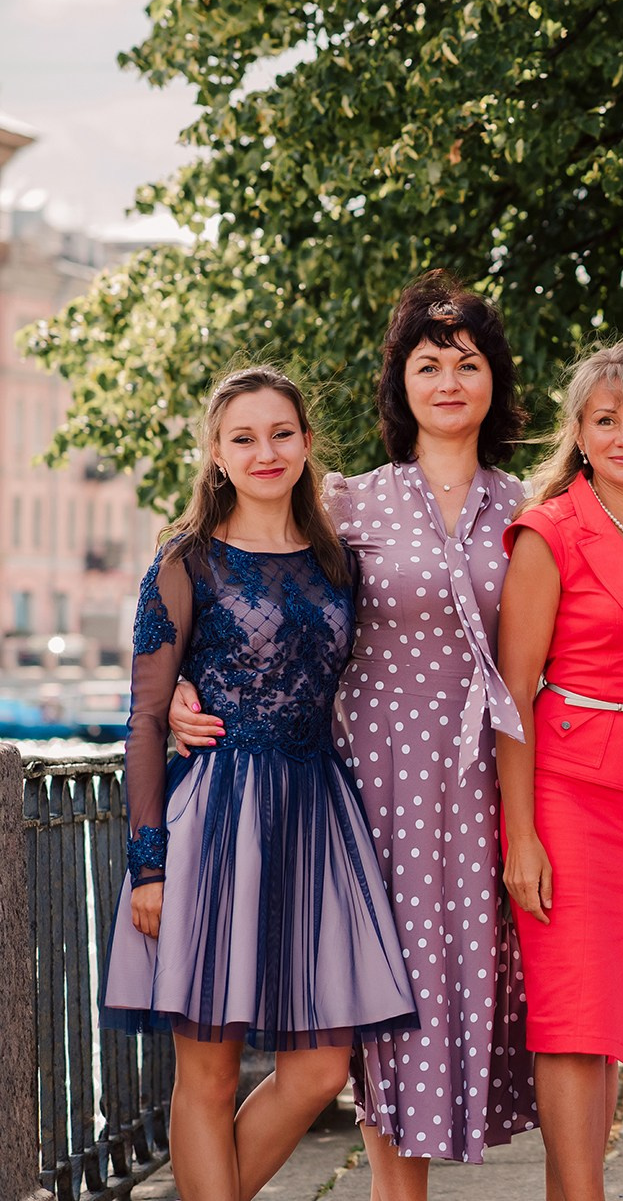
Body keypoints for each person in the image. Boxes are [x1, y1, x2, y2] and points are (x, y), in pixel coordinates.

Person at [170, 273, 539, 1193]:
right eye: (427, 364)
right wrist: (179, 682)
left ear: (493, 379)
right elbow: (242, 578)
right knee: (382, 1022)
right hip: (362, 790)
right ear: (399, 383)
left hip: (486, 788)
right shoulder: (348, 500)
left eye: (468, 363)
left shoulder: (528, 504)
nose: (449, 381)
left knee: (456, 1002)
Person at [102, 367, 417, 1201]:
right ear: (216, 453)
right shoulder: (188, 562)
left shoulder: (338, 561)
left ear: (307, 443)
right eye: (243, 436)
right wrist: (149, 863)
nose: (265, 451)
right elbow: (141, 717)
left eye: (281, 432)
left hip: (315, 820)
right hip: (213, 820)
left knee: (319, 1066)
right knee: (206, 1073)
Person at [496, 341, 623, 1201]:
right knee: (573, 1024)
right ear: (579, 432)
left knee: (611, 1025)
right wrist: (522, 837)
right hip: (571, 800)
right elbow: (511, 693)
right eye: (606, 419)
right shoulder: (549, 534)